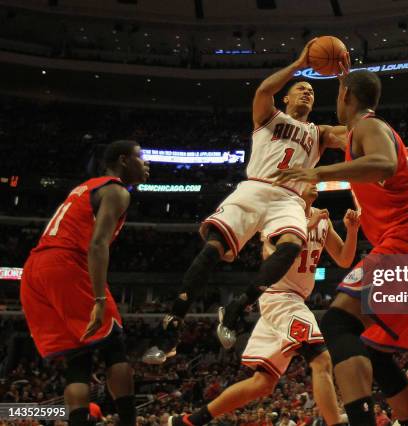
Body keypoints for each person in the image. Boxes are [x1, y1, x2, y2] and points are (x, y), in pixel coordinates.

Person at [142, 39, 350, 364]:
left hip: (289, 198)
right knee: (212, 248)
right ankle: (172, 325)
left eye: (311, 89)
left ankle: (240, 305)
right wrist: (298, 64)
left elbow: (354, 130)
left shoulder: (318, 132)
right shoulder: (269, 116)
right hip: (255, 187)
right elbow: (262, 92)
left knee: (293, 245)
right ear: (287, 97)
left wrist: (342, 83)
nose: (307, 92)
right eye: (301, 88)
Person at [274, 69, 408, 426]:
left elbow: (383, 163)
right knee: (374, 349)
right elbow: (331, 135)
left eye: (339, 93)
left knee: (338, 323)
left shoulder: (370, 127)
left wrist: (317, 174)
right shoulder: (367, 132)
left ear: (345, 97)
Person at [168, 184, 358, 426]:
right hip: (279, 296)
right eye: (306, 178)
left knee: (263, 383)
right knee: (321, 359)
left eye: (314, 177)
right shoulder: (281, 215)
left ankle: (189, 421)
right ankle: (335, 423)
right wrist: (305, 227)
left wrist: (352, 231)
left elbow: (343, 258)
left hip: (292, 300)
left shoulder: (323, 218)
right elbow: (270, 255)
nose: (313, 182)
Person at [20, 140, 150, 426]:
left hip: (35, 269)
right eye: (141, 157)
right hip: (66, 264)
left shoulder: (87, 186)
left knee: (78, 362)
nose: (147, 164)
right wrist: (99, 299)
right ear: (123, 160)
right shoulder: (116, 190)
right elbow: (97, 244)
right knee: (114, 347)